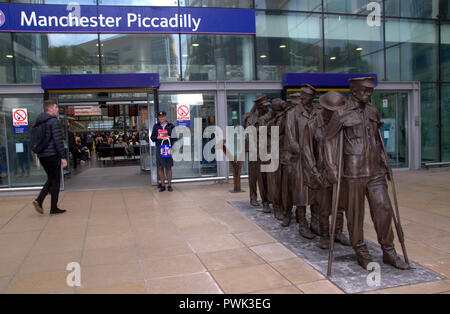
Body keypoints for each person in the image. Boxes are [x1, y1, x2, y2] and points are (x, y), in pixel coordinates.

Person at [325, 77, 409, 270]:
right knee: (355, 215)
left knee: (384, 210)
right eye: (365, 90)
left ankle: (389, 251)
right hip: (353, 172)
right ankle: (361, 251)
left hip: (375, 171)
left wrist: (384, 160)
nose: (369, 94)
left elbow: (377, 139)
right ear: (353, 91)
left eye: (371, 91)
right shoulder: (341, 113)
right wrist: (331, 167)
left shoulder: (372, 111)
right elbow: (328, 141)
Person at [302, 91, 351, 249]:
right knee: (324, 206)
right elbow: (307, 150)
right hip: (322, 171)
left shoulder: (342, 123)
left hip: (341, 170)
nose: (335, 114)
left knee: (339, 204)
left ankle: (337, 232)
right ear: (325, 108)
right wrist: (314, 171)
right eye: (332, 111)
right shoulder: (313, 125)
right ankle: (324, 235)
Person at [32, 99, 67, 215]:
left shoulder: (39, 121)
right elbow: (58, 140)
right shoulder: (53, 121)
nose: (57, 109)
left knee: (51, 178)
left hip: (42, 155)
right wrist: (63, 156)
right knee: (55, 180)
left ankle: (41, 201)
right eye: (56, 107)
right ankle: (51, 206)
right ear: (50, 108)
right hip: (52, 155)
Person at [151, 111, 176, 192]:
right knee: (160, 166)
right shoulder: (156, 126)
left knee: (168, 166)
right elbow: (152, 137)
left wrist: (169, 137)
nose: (161, 118)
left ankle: (169, 185)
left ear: (165, 117)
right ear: (158, 118)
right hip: (159, 148)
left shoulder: (170, 126)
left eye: (162, 117)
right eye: (159, 117)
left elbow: (175, 137)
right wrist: (158, 137)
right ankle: (162, 185)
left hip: (167, 148)